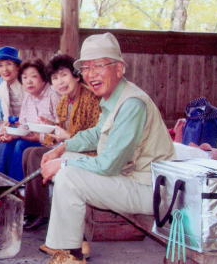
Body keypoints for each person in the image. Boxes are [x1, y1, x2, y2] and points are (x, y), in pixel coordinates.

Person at [39, 33, 175, 264]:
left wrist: (62, 163)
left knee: (69, 175)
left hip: (150, 190)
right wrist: (62, 149)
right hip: (130, 178)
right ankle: (71, 243)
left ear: (119, 68)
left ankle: (69, 254)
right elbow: (95, 134)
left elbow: (108, 165)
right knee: (69, 160)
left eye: (99, 66)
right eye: (86, 68)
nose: (90, 74)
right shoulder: (114, 97)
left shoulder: (132, 103)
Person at [22, 54, 100, 232]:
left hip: (88, 152)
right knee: (28, 152)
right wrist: (50, 127)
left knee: (34, 155)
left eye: (64, 75)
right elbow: (60, 130)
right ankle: (34, 210)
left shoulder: (91, 98)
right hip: (68, 146)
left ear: (76, 75)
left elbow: (94, 136)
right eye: (55, 78)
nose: (60, 82)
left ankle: (40, 214)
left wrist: (66, 136)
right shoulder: (64, 101)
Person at [0, 58, 59, 180]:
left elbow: (61, 128)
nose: (29, 81)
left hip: (50, 143)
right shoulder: (28, 97)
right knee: (7, 140)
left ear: (43, 77)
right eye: (24, 78)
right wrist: (12, 134)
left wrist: (38, 137)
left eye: (33, 77)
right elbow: (24, 125)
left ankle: (16, 186)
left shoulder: (53, 95)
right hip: (33, 138)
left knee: (20, 144)